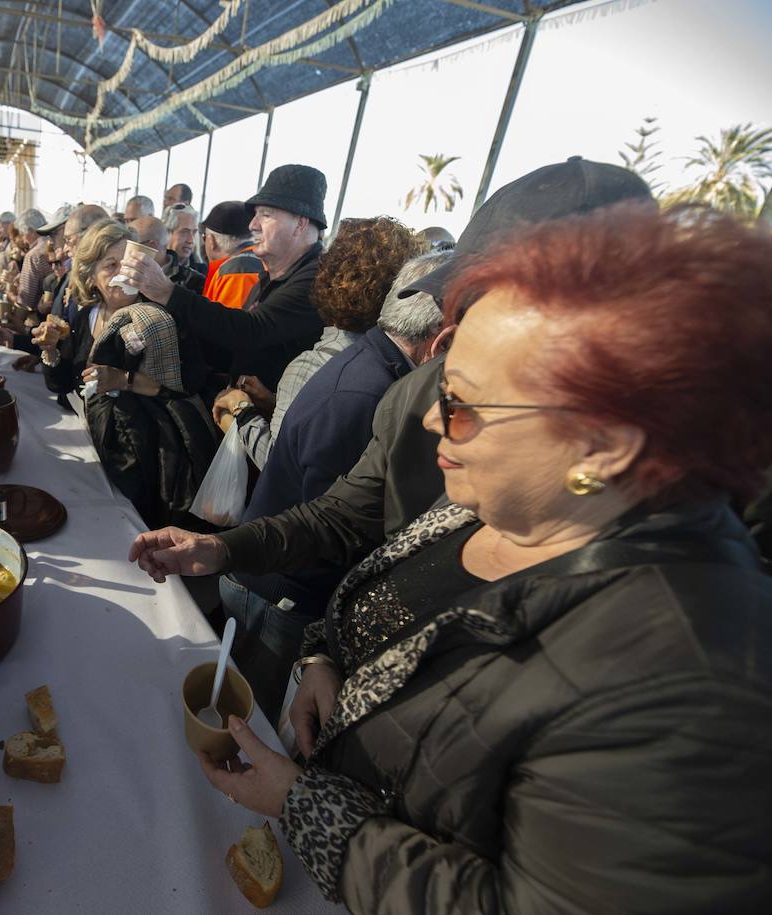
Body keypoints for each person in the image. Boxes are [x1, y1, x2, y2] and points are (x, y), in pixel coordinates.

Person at [183, 203, 772, 912]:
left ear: (604, 442)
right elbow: (393, 599)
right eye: (441, 385)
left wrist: (305, 804)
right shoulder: (511, 493)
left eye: (461, 402)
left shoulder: (690, 686)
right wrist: (323, 656)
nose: (432, 417)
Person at [128, 158, 659, 600]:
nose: (439, 411)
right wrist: (227, 553)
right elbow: (344, 513)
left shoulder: (649, 589)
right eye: (461, 304)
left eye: (487, 303)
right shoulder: (417, 391)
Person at [210, 249, 444, 720]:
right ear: (441, 342)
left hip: (268, 576)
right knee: (244, 722)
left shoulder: (371, 364)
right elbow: (328, 517)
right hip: (281, 593)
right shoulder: (370, 392)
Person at [34, 220, 216, 525]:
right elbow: (63, 384)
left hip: (151, 460)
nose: (122, 273)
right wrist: (51, 350)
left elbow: (193, 381)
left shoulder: (161, 319)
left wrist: (124, 380)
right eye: (110, 264)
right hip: (98, 450)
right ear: (89, 275)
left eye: (128, 264)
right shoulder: (84, 317)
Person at [216, 218, 428, 468]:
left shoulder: (312, 366)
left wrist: (242, 410)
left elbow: (276, 463)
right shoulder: (397, 363)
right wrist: (275, 403)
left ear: (332, 275)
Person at [118, 164, 328, 391]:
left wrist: (167, 292)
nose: (252, 225)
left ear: (300, 223)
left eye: (265, 215)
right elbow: (231, 345)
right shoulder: (274, 275)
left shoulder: (315, 280)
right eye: (255, 214)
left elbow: (251, 331)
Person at [199, 200, 266, 310]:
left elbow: (227, 324)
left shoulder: (236, 272)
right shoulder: (262, 259)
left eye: (204, 237)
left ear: (211, 242)